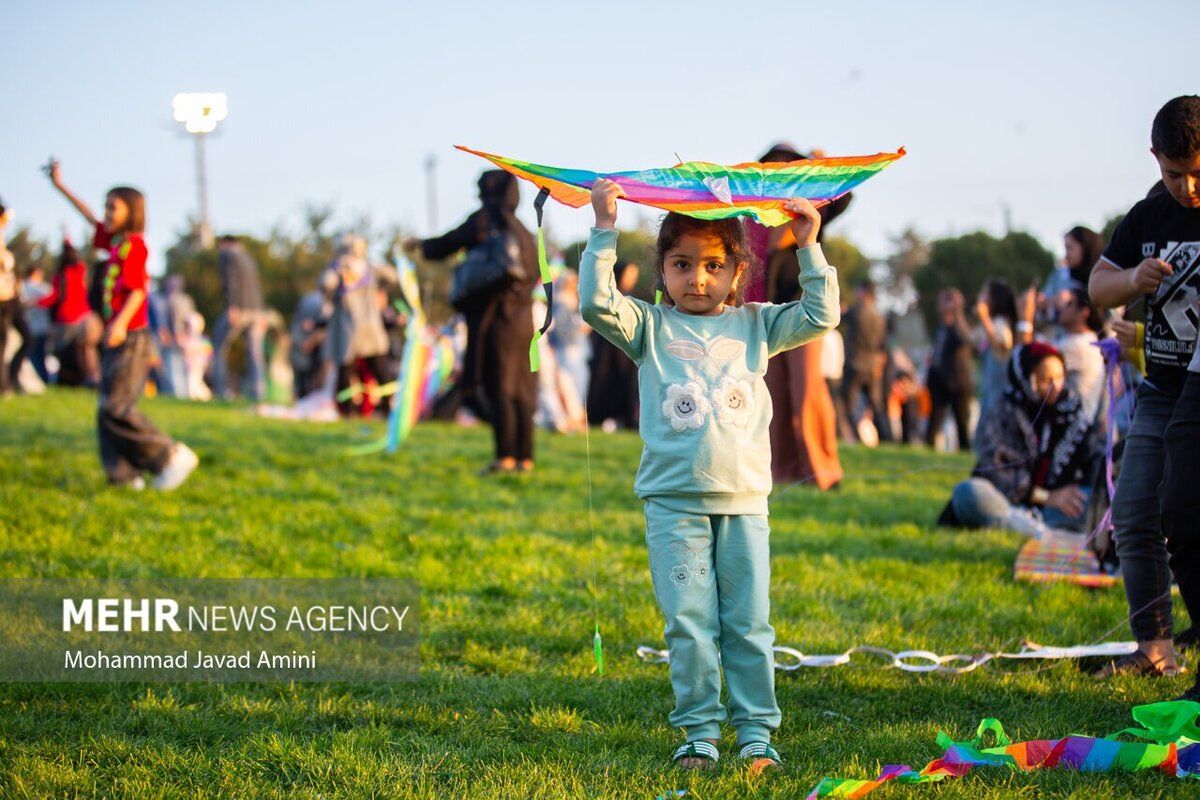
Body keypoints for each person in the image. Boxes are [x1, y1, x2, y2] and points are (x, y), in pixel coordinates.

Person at [580, 178, 839, 770]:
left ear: (737, 271)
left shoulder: (758, 324)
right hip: (673, 503)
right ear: (662, 270)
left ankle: (755, 735)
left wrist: (808, 246)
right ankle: (699, 730)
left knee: (748, 623)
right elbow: (596, 304)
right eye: (682, 264)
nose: (697, 278)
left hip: (745, 502)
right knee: (689, 623)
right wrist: (604, 227)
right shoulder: (647, 326)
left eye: (713, 266)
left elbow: (822, 315)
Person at [1088, 95, 1200, 678]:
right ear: (1155, 159)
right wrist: (1133, 277)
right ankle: (1156, 650)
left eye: (1198, 173)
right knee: (1133, 513)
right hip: (1162, 390)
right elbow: (1098, 285)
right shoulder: (1151, 213)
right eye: (1174, 174)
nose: (1188, 188)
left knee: (1187, 515)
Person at [46, 159, 197, 490]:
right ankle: (124, 476)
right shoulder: (114, 244)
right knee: (106, 409)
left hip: (131, 337)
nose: (107, 213)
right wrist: (61, 187)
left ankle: (168, 455)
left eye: (113, 207)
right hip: (119, 337)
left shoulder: (135, 247)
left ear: (132, 211)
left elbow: (138, 289)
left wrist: (119, 324)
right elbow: (88, 218)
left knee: (117, 407)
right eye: (106, 206)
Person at [406, 170, 539, 473]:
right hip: (523, 320)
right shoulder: (523, 231)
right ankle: (525, 457)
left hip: (495, 318)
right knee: (521, 388)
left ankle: (505, 456)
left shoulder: (485, 220)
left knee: (500, 386)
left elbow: (447, 244)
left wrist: (419, 245)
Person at [938, 343, 1099, 540]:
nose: (1056, 386)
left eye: (1059, 377)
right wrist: (1048, 497)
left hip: (1055, 509)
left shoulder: (1072, 412)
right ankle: (1030, 528)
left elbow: (1091, 461)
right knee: (968, 493)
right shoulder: (1005, 411)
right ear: (1027, 379)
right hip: (1009, 505)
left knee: (1102, 497)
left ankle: (1041, 528)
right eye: (1046, 379)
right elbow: (997, 473)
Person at [320, 234, 398, 417]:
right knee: (379, 370)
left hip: (347, 330)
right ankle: (388, 407)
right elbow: (392, 276)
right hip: (371, 327)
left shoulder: (339, 268)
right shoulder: (369, 269)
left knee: (346, 370)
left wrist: (339, 269)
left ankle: (347, 411)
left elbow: (325, 284)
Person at [586, 259, 640, 431]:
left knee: (626, 382)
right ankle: (601, 416)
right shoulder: (610, 297)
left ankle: (624, 417)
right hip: (607, 348)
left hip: (625, 350)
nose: (631, 279)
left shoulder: (632, 299)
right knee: (605, 380)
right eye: (629, 274)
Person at [211, 235, 266, 400]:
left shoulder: (227, 256)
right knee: (255, 352)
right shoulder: (249, 259)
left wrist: (232, 305)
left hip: (239, 309)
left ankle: (221, 390)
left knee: (219, 347)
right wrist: (261, 311)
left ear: (225, 243)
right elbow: (257, 287)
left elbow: (231, 281)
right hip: (256, 311)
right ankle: (258, 392)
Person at [38, 238, 98, 386]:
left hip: (67, 320)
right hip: (85, 318)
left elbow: (54, 297)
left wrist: (35, 302)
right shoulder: (79, 271)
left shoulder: (61, 275)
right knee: (86, 351)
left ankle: (71, 379)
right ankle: (91, 378)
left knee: (64, 352)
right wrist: (68, 239)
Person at [925, 288, 974, 450]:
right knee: (935, 416)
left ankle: (964, 449)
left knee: (961, 420)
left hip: (958, 381)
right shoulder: (941, 326)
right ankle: (929, 446)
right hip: (940, 379)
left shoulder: (959, 324)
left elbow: (965, 339)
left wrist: (957, 311)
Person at [1052, 286, 1105, 422]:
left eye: (1069, 303)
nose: (1062, 307)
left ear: (1084, 313)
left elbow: (1034, 362)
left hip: (1072, 429)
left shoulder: (1080, 346)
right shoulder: (1084, 340)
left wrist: (1024, 320)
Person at [974, 278, 1017, 435]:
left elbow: (1002, 345)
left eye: (985, 293)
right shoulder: (991, 323)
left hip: (997, 390)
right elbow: (969, 338)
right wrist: (957, 313)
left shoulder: (1000, 322)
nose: (981, 296)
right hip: (988, 388)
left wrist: (984, 318)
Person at [0, 199, 32, 395]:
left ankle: (9, 381)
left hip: (10, 298)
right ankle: (5, 385)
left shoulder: (3, 238)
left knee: (25, 339)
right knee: (2, 343)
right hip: (2, 298)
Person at [20, 265, 53, 385]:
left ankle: (39, 379)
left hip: (28, 327)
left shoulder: (21, 287)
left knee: (33, 355)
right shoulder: (43, 289)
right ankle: (42, 379)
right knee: (39, 355)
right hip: (41, 327)